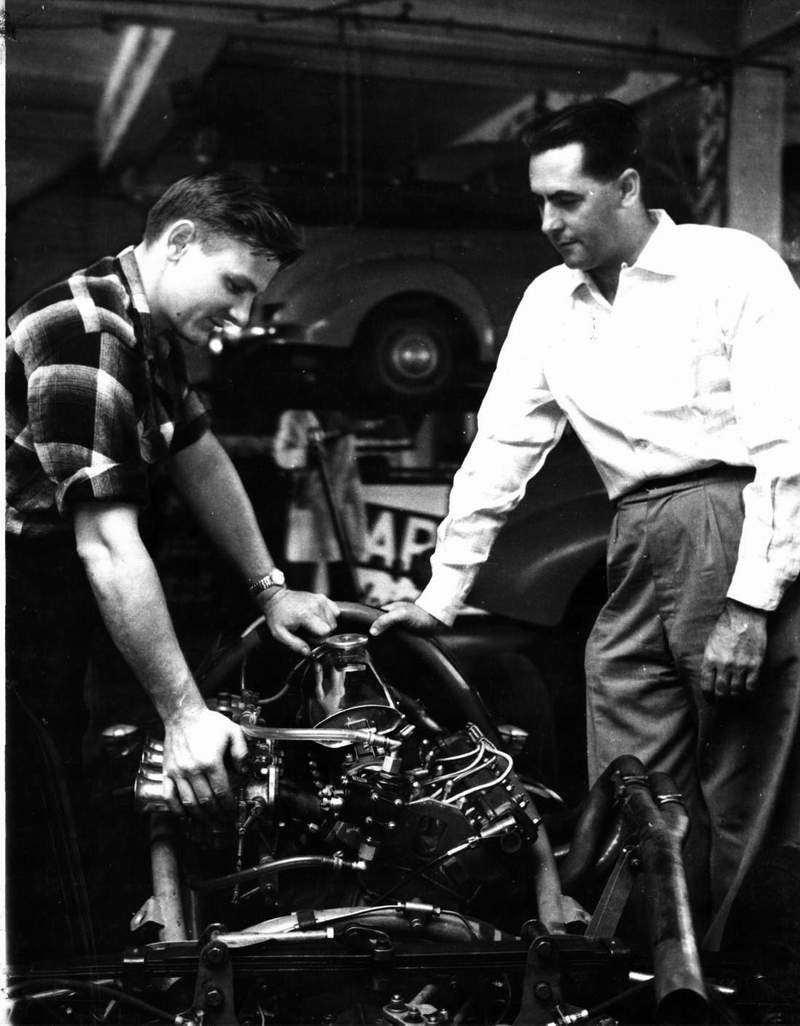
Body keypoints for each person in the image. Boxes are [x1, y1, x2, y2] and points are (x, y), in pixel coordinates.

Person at [370, 99, 800, 949]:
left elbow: (788, 440)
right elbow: (500, 449)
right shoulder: (548, 302)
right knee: (634, 783)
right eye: (539, 201)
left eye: (566, 200)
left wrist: (752, 602)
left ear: (627, 187)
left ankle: (742, 983)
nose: (547, 222)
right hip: (632, 534)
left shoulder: (731, 266)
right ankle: (649, 975)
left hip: (734, 523)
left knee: (745, 787)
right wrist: (441, 595)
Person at [6, 170, 340, 830]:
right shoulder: (88, 335)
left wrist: (271, 590)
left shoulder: (147, 330)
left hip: (55, 589)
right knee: (35, 807)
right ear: (180, 242)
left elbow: (199, 457)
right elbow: (107, 545)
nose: (241, 315)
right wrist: (185, 715)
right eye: (235, 286)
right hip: (17, 594)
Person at [272, 408, 367, 597]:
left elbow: (351, 485)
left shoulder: (345, 437)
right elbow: (282, 456)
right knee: (303, 587)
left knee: (338, 589)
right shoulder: (296, 417)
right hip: (306, 519)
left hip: (336, 524)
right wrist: (307, 454)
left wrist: (358, 535)